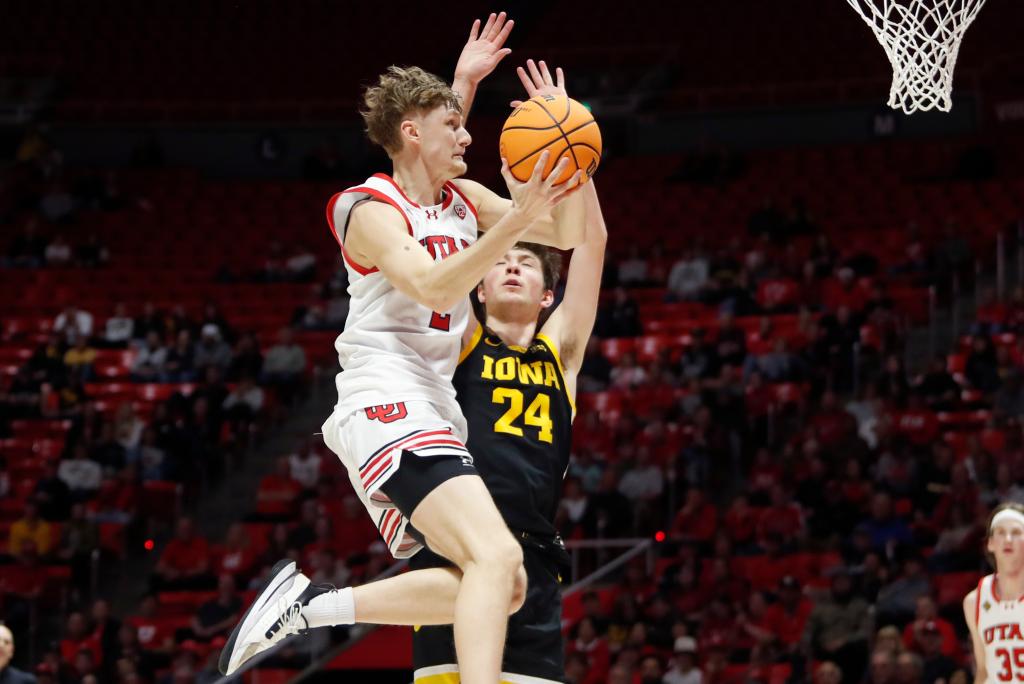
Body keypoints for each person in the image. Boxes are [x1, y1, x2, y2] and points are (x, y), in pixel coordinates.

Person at [219, 14, 585, 683]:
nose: (469, 137)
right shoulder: (364, 209)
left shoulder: (460, 198)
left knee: (498, 584)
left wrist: (563, 153)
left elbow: (562, 231)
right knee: (499, 560)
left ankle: (306, 610)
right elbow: (435, 285)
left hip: (434, 407)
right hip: (386, 396)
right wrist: (519, 219)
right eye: (456, 127)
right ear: (413, 132)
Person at [412, 59, 606, 684]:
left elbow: (592, 242)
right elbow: (435, 197)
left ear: (549, 294)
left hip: (537, 562)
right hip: (460, 553)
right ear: (480, 280)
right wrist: (461, 91)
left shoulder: (561, 352)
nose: (514, 267)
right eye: (503, 261)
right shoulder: (460, 342)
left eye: (529, 262)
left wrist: (570, 141)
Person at [965, 503, 1024, 684]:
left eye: (1016, 533)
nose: (1007, 539)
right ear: (990, 543)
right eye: (1000, 532)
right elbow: (983, 670)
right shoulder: (974, 601)